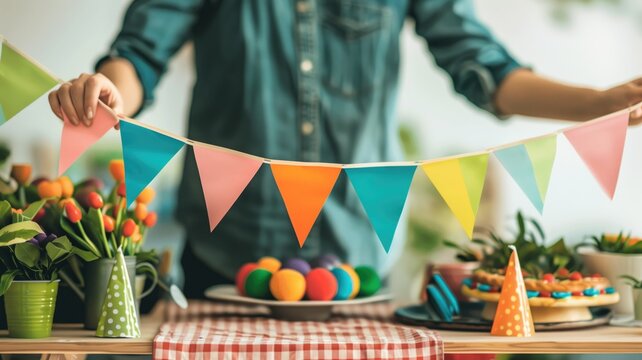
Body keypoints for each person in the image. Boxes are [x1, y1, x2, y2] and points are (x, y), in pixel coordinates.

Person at [48, 0, 642, 299]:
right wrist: (107, 94)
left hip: (361, 259)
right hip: (223, 259)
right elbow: (139, 54)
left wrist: (600, 102)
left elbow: (484, 67)